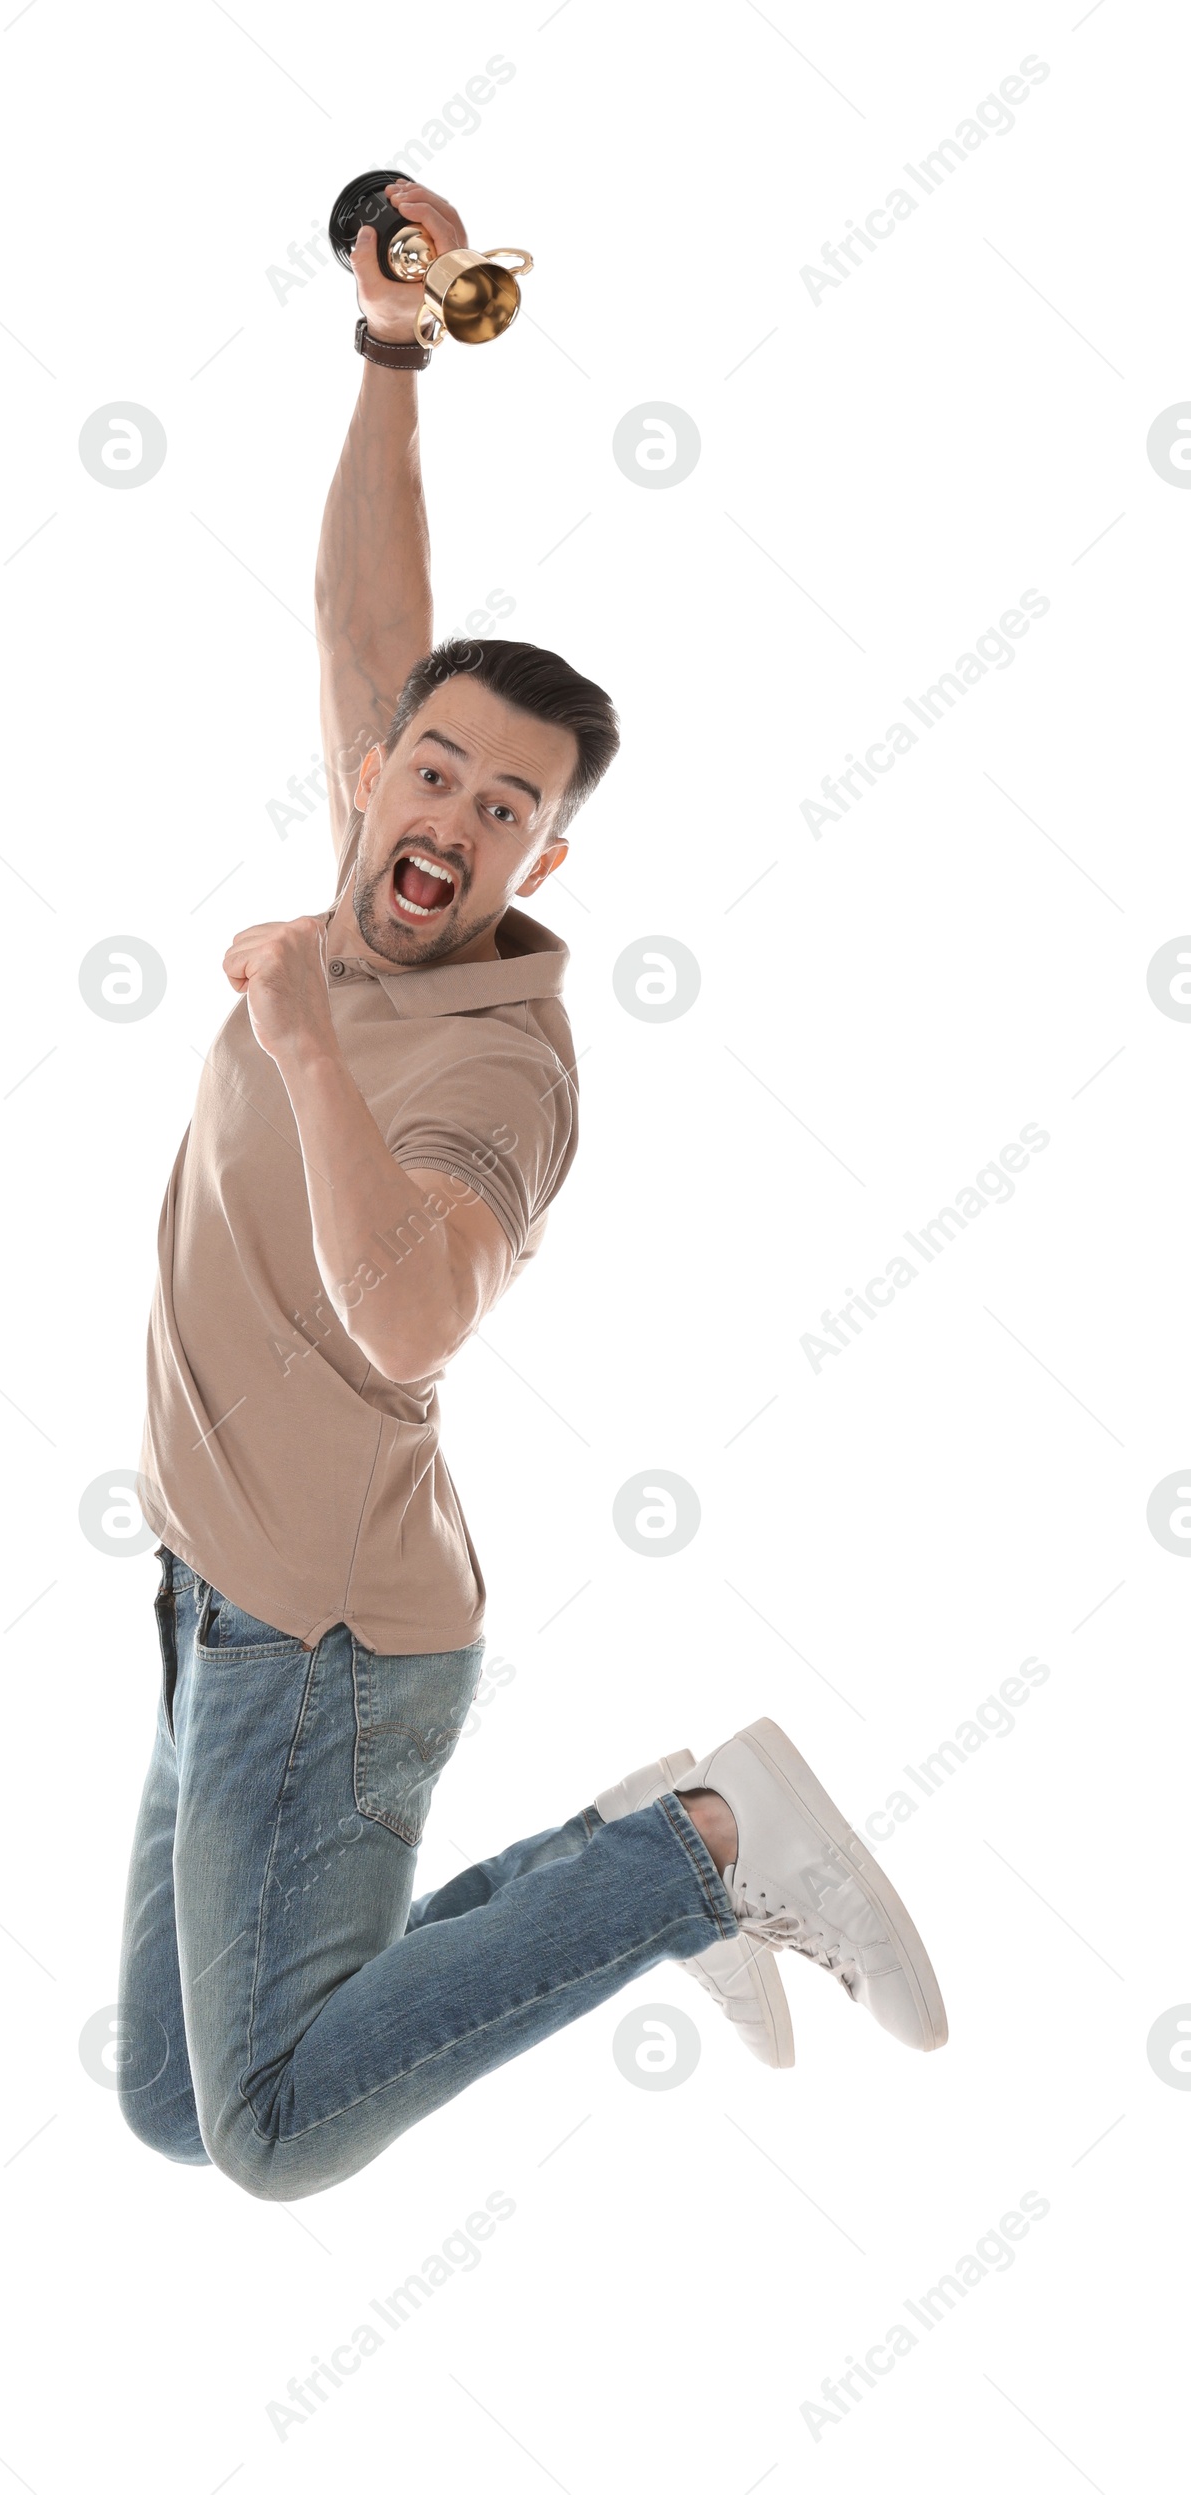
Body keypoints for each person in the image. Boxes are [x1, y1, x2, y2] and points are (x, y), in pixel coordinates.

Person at [117, 179, 946, 2201]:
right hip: (209, 1604)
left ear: (539, 865)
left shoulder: (499, 1061)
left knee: (278, 2134)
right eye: (432, 769)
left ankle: (704, 1855)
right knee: (168, 2095)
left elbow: (409, 1308)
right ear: (379, 769)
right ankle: (648, 1853)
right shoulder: (366, 857)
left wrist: (307, 1043)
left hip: (325, 1644)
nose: (452, 814)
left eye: (508, 808)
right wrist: (389, 345)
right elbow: (356, 613)